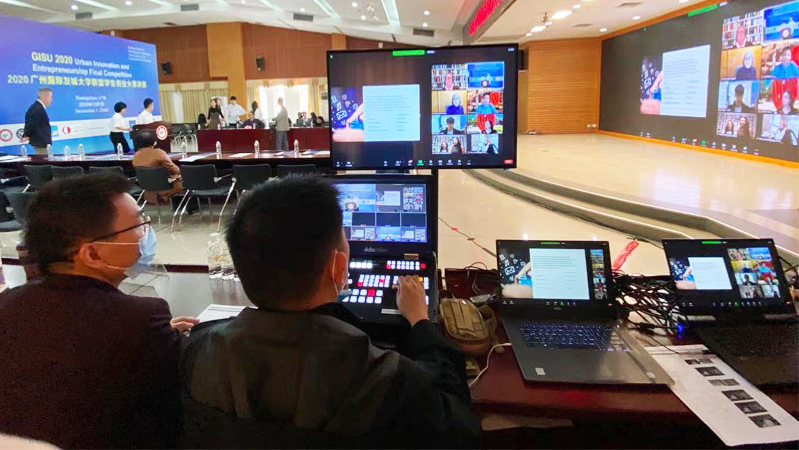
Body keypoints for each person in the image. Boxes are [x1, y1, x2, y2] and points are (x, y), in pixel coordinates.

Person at [180, 177, 479, 447]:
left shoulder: (197, 350)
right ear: (338, 268)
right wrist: (421, 323)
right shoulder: (386, 379)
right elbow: (461, 428)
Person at [0, 174, 198, 449]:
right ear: (92, 254)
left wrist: (156, 334)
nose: (145, 234)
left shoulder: (8, 304)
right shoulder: (140, 318)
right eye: (139, 225)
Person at [132, 129, 183, 203]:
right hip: (166, 182)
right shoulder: (159, 153)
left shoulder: (136, 155)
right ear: (154, 141)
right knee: (181, 177)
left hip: (147, 185)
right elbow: (176, 170)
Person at [22, 87, 53, 155]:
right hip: (41, 143)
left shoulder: (36, 107)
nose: (51, 99)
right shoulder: (38, 109)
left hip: (41, 143)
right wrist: (26, 134)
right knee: (43, 160)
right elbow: (31, 124)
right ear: (45, 96)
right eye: (50, 97)